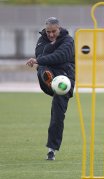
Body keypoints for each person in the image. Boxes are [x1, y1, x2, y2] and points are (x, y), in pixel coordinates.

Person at [26, 17, 75, 161]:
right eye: (48, 32)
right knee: (42, 67)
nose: (51, 35)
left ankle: (51, 150)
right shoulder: (42, 39)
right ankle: (50, 80)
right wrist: (43, 56)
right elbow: (40, 55)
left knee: (58, 114)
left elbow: (62, 56)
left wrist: (42, 57)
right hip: (47, 80)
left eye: (54, 31)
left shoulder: (68, 41)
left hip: (66, 80)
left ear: (59, 28)